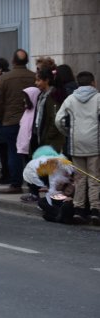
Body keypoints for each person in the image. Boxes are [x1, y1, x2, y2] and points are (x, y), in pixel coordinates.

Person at [55, 71, 100, 224]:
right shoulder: (98, 98)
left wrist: (69, 133)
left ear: (78, 83)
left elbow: (59, 120)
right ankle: (95, 210)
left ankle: (78, 210)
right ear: (93, 82)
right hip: (95, 143)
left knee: (80, 179)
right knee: (95, 178)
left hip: (77, 143)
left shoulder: (71, 99)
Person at [0, 49, 36, 194]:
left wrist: (2, 116)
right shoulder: (34, 76)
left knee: (14, 152)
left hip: (11, 120)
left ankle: (16, 183)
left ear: (13, 61)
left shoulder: (5, 78)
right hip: (31, 121)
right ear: (27, 61)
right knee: (31, 153)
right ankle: (33, 185)